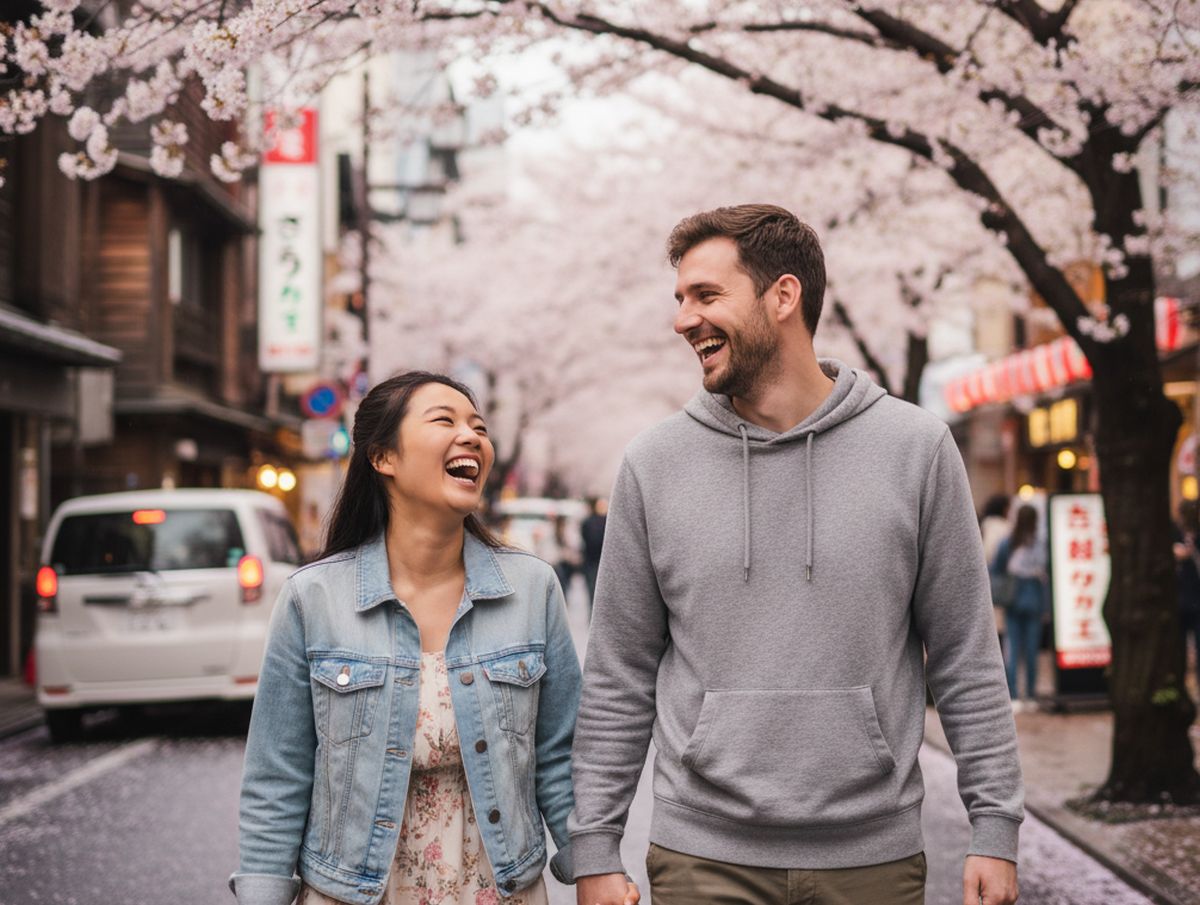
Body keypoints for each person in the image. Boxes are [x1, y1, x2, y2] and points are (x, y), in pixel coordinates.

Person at [569, 205, 1022, 905]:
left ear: (784, 296)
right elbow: (618, 672)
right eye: (681, 299)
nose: (683, 320)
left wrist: (993, 825)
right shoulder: (653, 464)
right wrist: (595, 843)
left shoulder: (916, 449)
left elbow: (965, 653)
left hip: (872, 855)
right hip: (702, 856)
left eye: (707, 296)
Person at [230, 371, 639, 905]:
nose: (471, 437)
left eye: (479, 427)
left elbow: (560, 756)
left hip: (498, 891)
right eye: (444, 421)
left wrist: (594, 867)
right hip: (355, 893)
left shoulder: (531, 588)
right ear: (383, 458)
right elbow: (276, 776)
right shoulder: (314, 599)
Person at [993, 504, 1048, 710]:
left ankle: (1014, 695)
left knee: (1013, 650)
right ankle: (1031, 695)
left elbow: (996, 568)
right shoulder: (1041, 543)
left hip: (1013, 600)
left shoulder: (1008, 542)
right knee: (1031, 651)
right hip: (1034, 599)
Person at [1172, 500, 1200, 694]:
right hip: (1180, 598)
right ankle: (1179, 684)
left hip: (1194, 598)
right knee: (1178, 648)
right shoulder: (1174, 533)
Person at [980, 494, 1013, 640]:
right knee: (1001, 622)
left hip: (985, 576)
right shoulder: (1004, 528)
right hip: (1001, 579)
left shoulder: (984, 525)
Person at [579, 498, 607, 612]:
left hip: (592, 561)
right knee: (596, 591)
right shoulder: (605, 521)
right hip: (596, 561)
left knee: (593, 592)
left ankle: (593, 614)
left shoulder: (588, 521)